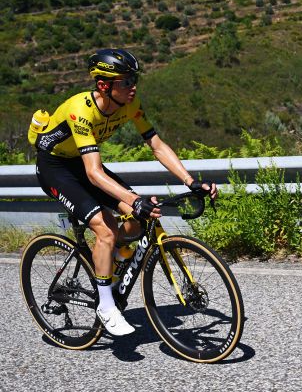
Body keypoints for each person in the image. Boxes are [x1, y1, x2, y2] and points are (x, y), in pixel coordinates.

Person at [32, 49, 216, 337]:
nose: (133, 87)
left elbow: (156, 145)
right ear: (104, 85)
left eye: (134, 80)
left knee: (141, 217)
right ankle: (106, 306)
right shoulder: (80, 109)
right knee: (105, 230)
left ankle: (113, 260)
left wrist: (190, 181)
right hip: (56, 167)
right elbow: (94, 174)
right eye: (126, 81)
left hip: (82, 165)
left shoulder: (130, 104)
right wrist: (133, 199)